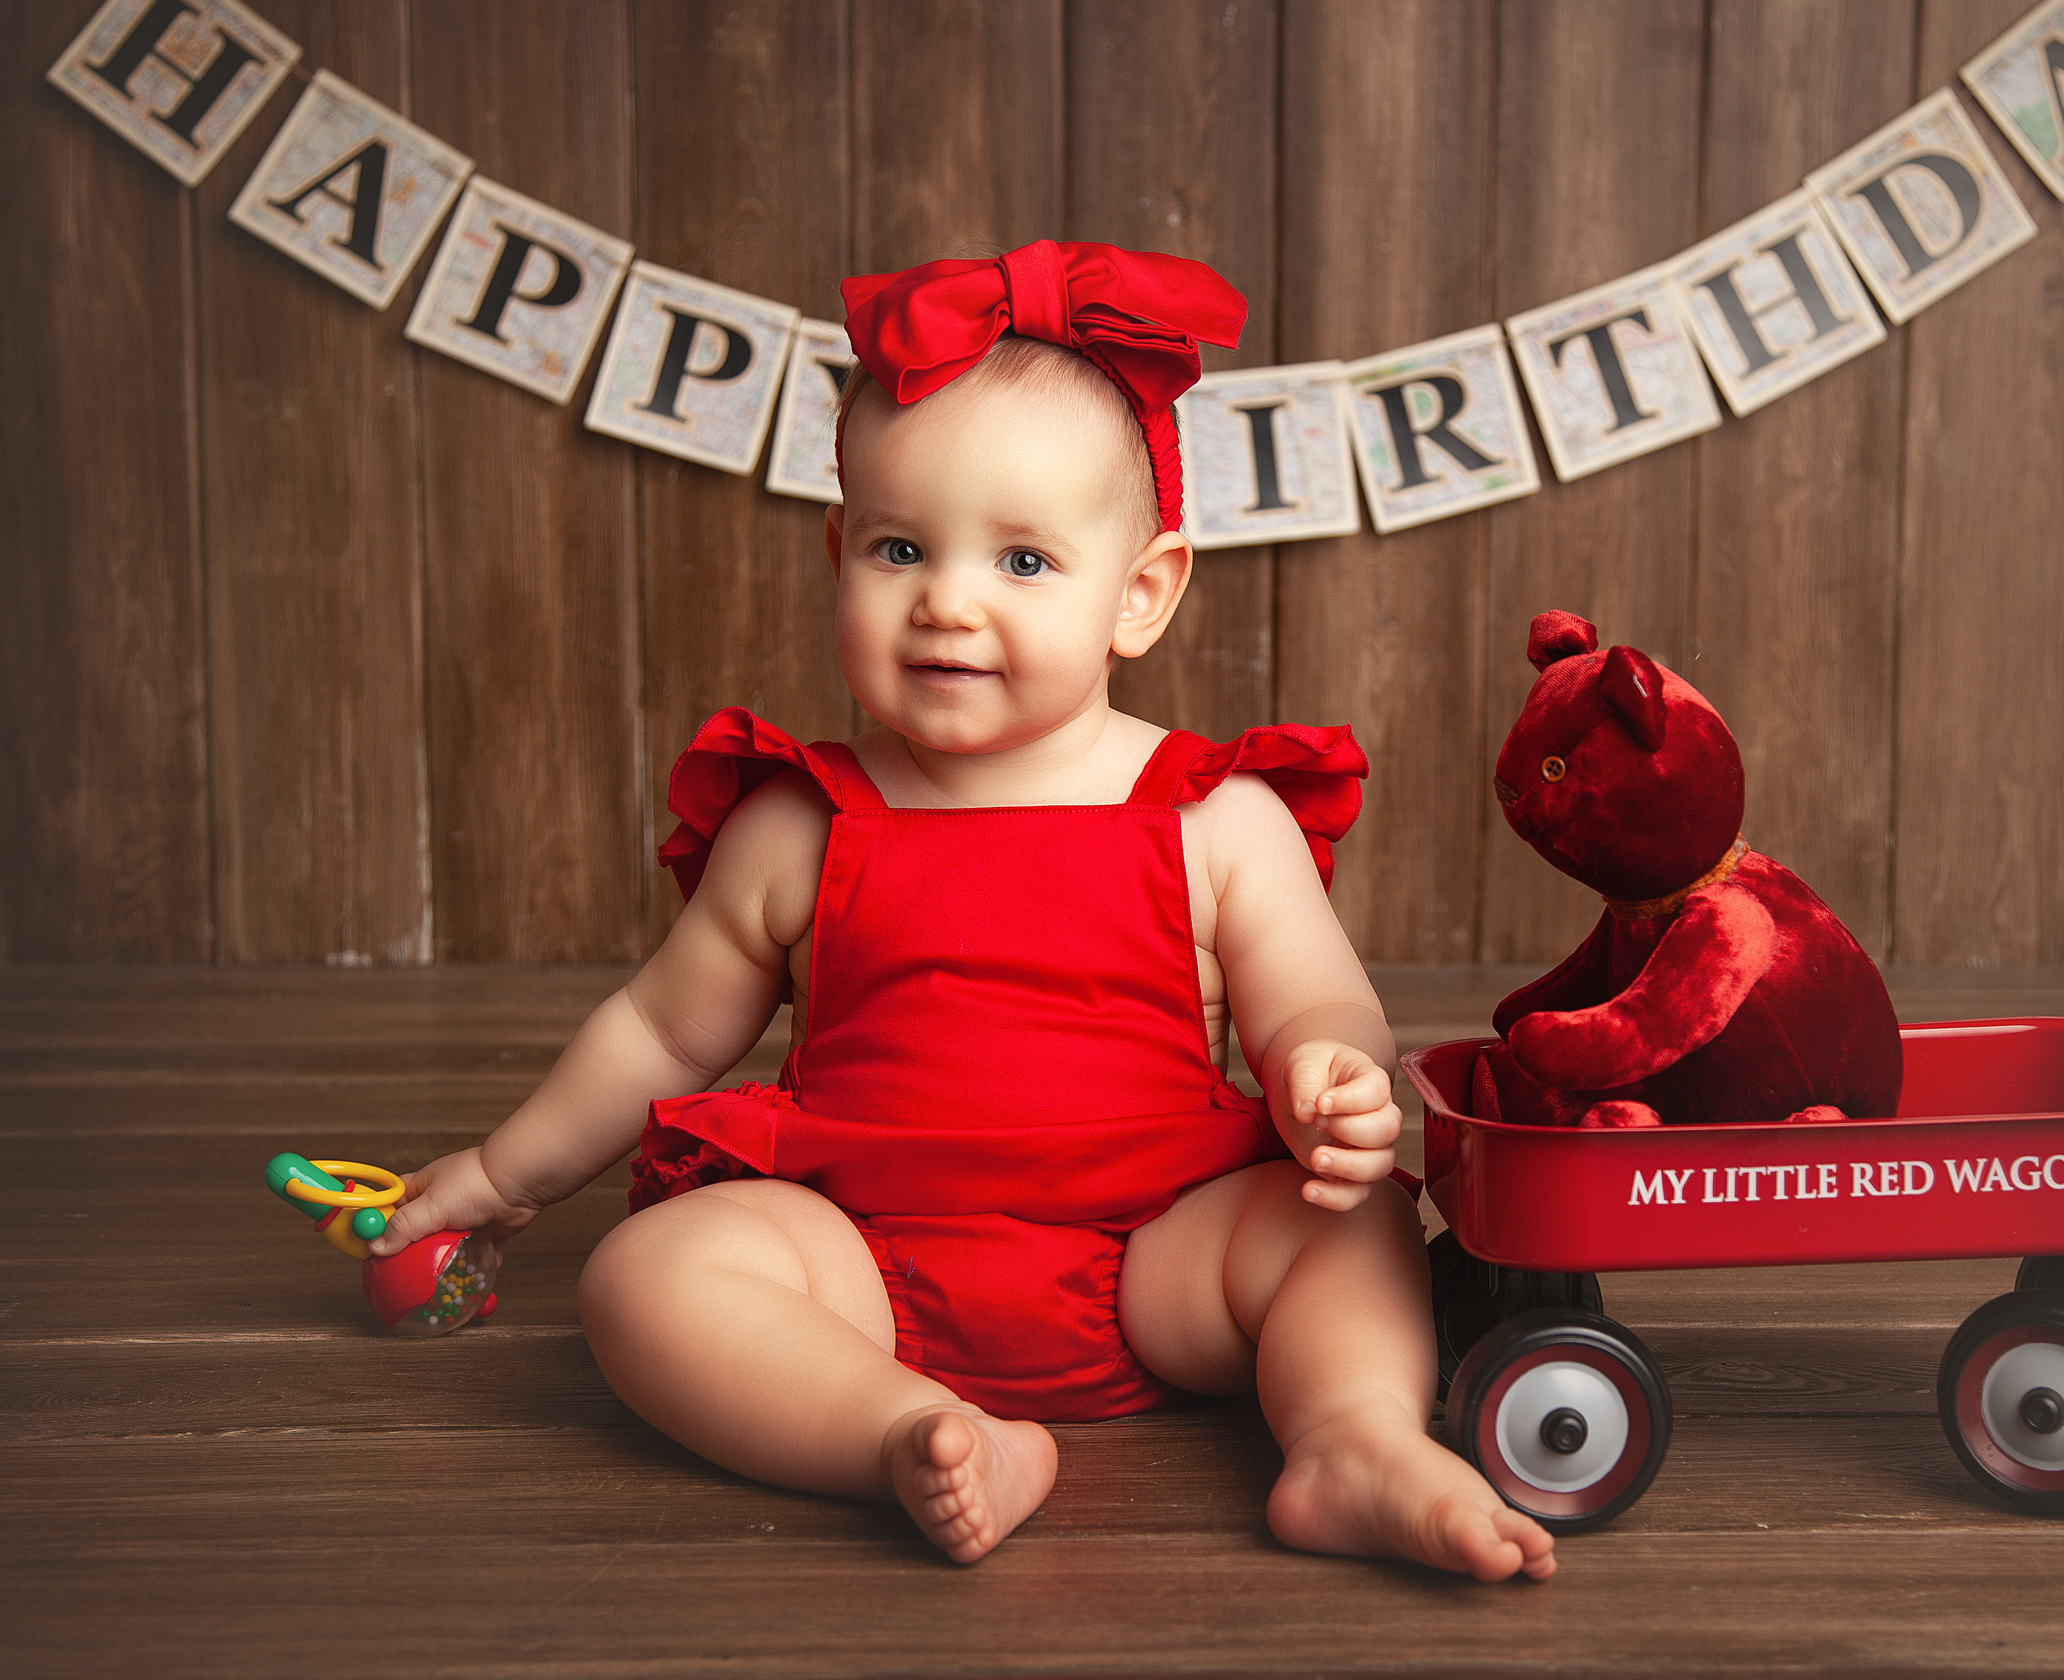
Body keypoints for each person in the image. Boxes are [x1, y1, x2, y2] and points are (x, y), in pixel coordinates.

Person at [371, 240, 1555, 1581]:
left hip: (1159, 1257)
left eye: (1026, 562)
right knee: (644, 1278)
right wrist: (502, 1178)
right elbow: (658, 1032)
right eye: (898, 547)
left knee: (1348, 1223)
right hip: (859, 1264)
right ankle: (907, 1429)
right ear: (838, 552)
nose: (946, 600)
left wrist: (1326, 1074)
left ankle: (1350, 1436)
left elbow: (1315, 998)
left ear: (1143, 594)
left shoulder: (1215, 820)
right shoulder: (797, 826)